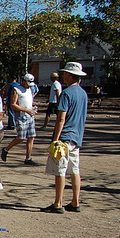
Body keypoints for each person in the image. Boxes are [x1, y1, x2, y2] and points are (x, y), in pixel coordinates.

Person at [42, 62, 88, 214]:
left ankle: (58, 203)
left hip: (65, 137)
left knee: (60, 170)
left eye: (65, 74)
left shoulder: (67, 93)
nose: (63, 76)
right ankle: (75, 201)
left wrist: (56, 139)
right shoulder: (83, 93)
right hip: (77, 137)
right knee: (74, 170)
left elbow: (61, 118)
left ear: (69, 75)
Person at [2, 73, 37, 165]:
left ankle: (28, 158)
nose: (29, 85)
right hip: (21, 117)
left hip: (30, 116)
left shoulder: (29, 90)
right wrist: (26, 110)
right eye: (28, 83)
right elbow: (12, 104)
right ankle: (6, 149)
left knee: (31, 137)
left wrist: (32, 108)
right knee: (21, 137)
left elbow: (29, 102)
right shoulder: (16, 90)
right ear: (23, 81)